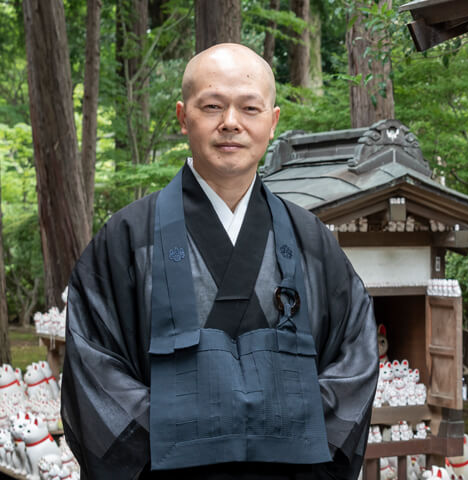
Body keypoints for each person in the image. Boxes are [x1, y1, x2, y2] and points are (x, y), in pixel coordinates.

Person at [61, 43, 378, 479]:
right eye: (212, 106)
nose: (231, 123)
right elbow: (94, 366)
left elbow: (353, 360)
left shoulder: (312, 241)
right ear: (182, 116)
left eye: (249, 108)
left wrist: (282, 428)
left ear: (273, 121)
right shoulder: (127, 237)